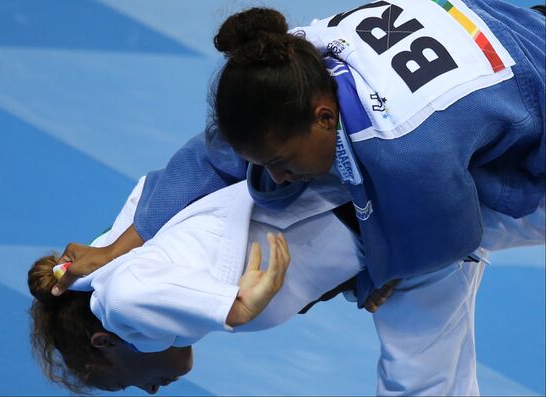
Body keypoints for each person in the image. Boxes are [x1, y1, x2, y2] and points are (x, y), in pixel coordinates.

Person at [50, 1, 544, 395]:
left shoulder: (405, 150)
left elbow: (452, 236)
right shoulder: (285, 64)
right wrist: (118, 248)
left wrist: (377, 273)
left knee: (420, 302)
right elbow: (207, 155)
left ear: (325, 117)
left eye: (283, 160)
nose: (279, 178)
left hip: (525, 72)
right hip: (503, 27)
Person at [29, 176, 371, 394]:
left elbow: (124, 294)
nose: (150, 391)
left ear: (104, 341)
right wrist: (367, 280)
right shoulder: (177, 285)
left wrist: (236, 308)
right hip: (371, 214)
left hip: (364, 192)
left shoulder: (123, 297)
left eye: (121, 384)